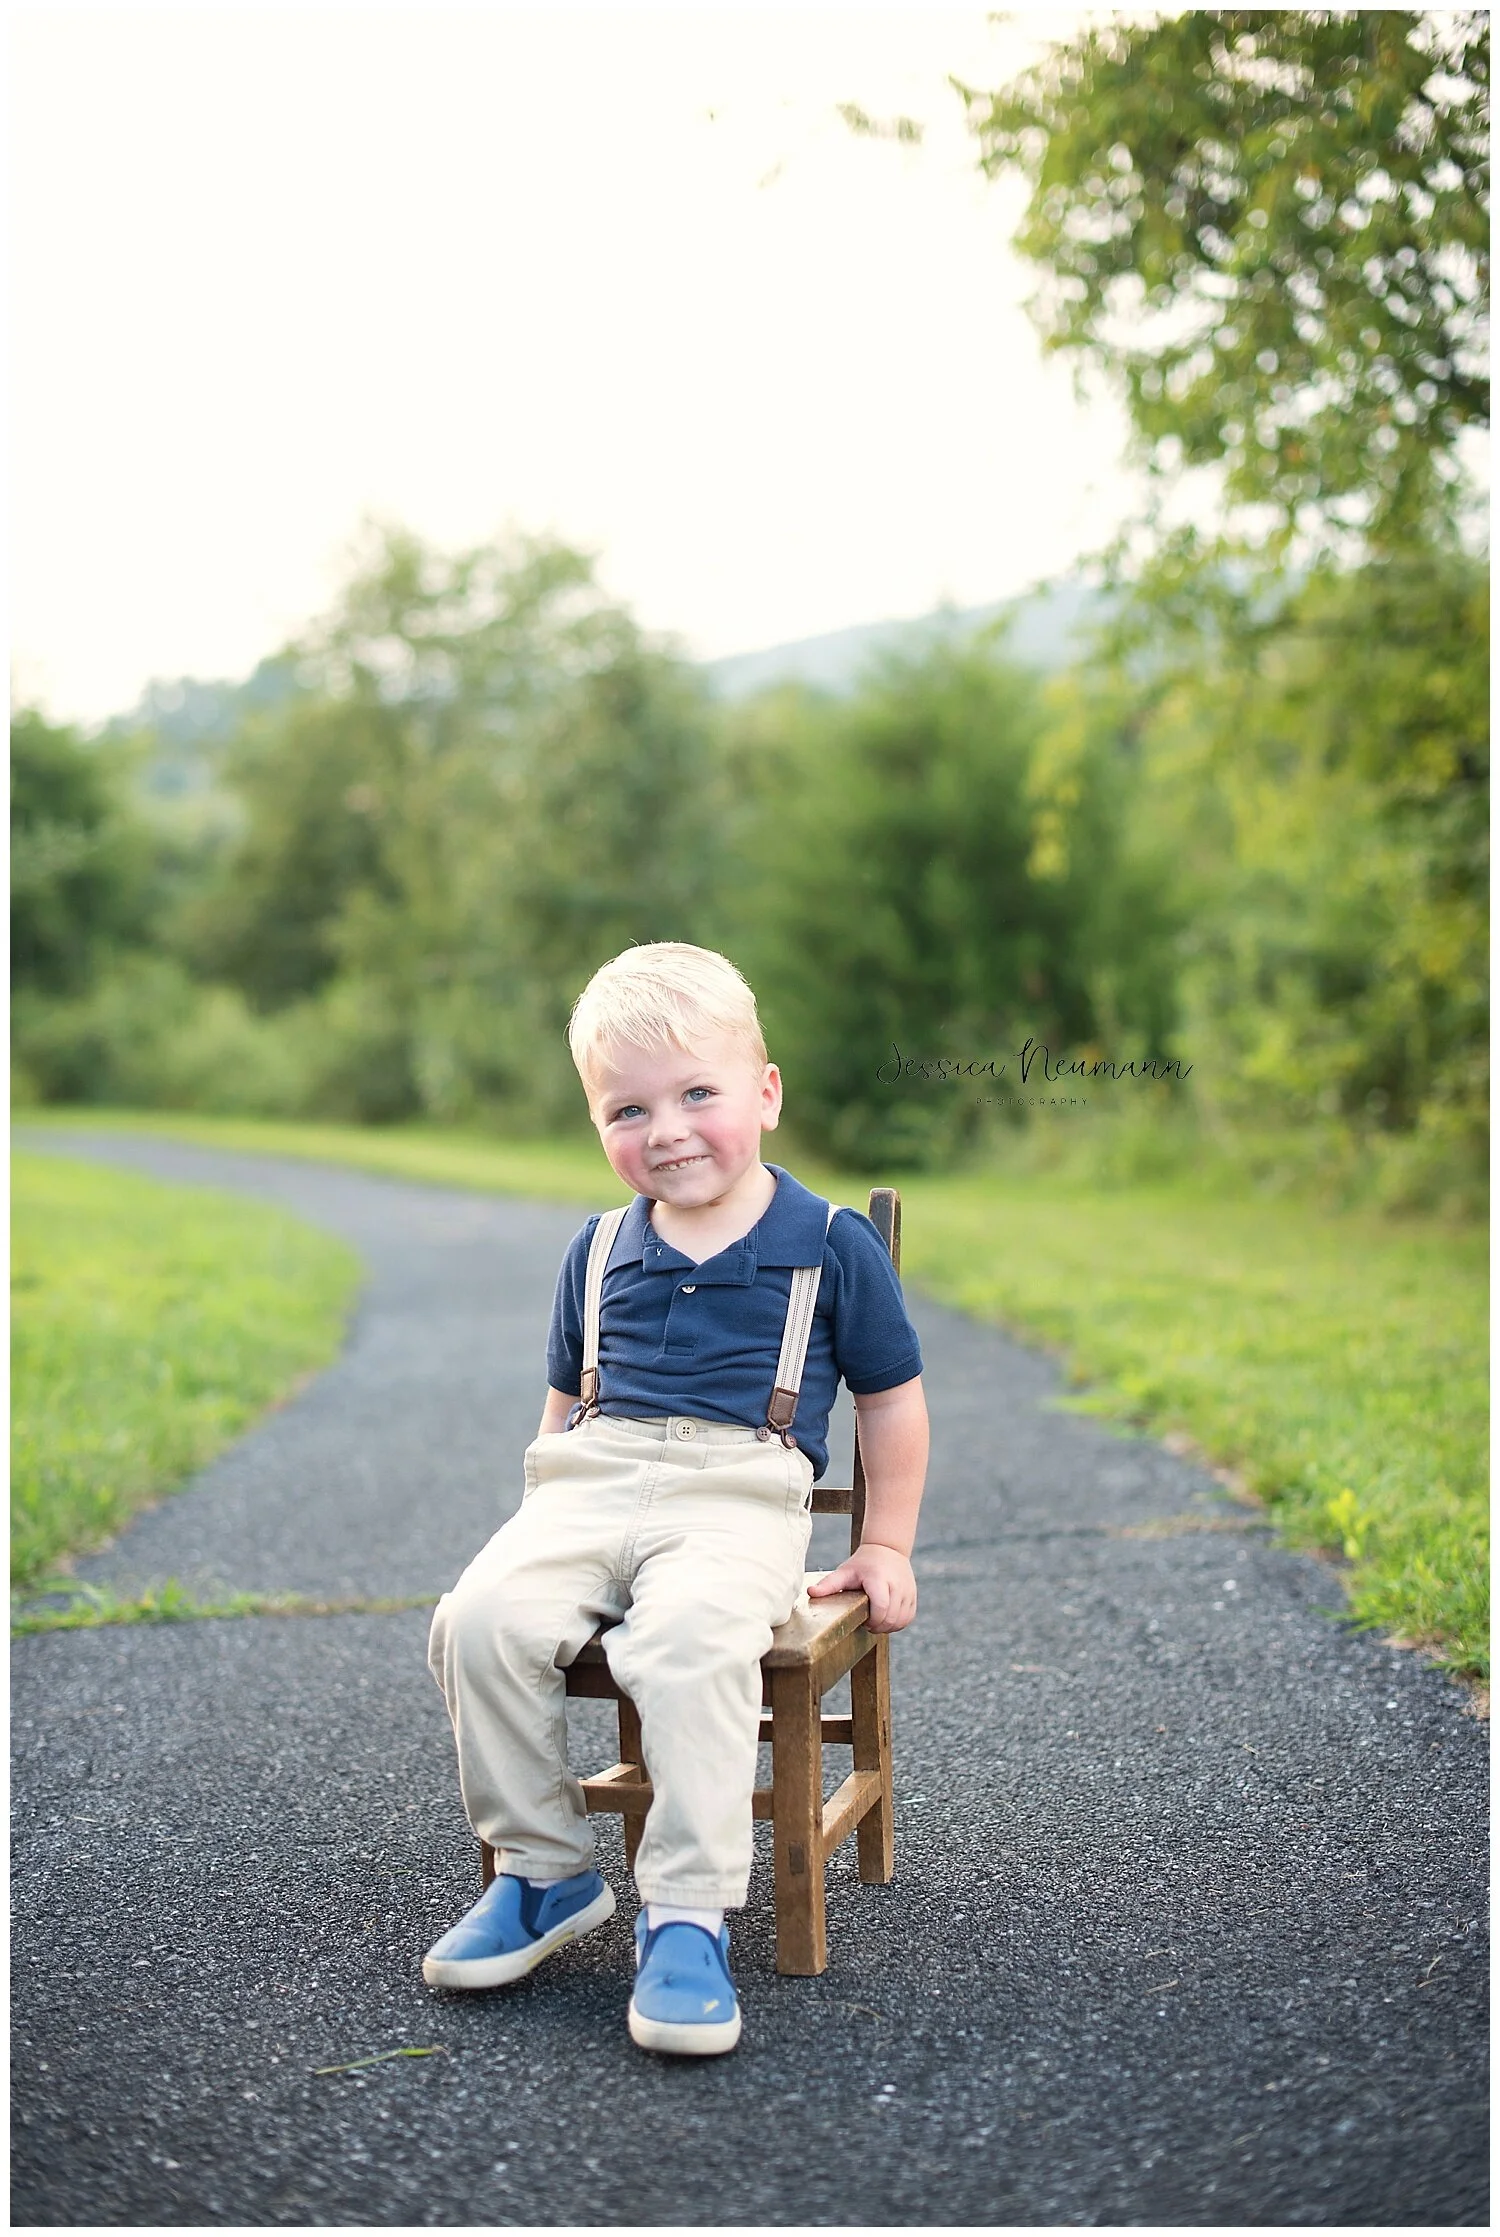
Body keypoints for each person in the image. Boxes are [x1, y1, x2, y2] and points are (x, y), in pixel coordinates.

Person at [424, 942, 929, 2055]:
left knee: (691, 1643)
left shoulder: (830, 1244)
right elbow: (565, 1400)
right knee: (479, 1619)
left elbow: (892, 1401)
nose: (667, 1130)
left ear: (767, 1092)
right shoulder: (599, 1244)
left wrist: (886, 1543)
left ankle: (687, 1914)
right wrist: (541, 1535)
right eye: (629, 1109)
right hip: (588, 1480)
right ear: (597, 1123)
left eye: (699, 1093)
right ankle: (544, 1871)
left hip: (736, 1491)